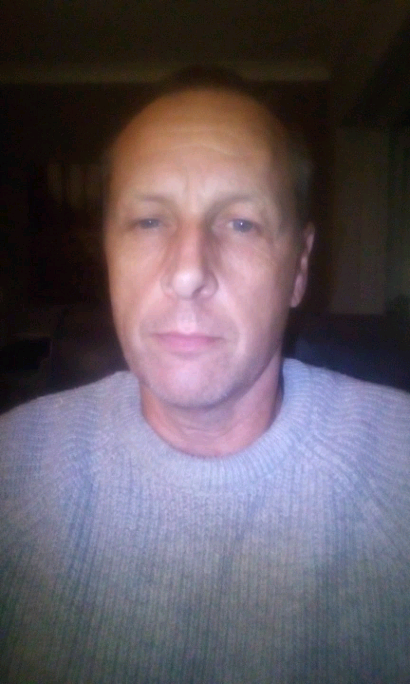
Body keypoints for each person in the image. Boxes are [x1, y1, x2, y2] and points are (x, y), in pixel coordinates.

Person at [1, 67, 409, 684]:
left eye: (241, 223)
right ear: (107, 253)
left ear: (299, 267)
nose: (188, 272)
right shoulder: (13, 469)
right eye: (149, 221)